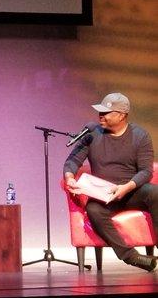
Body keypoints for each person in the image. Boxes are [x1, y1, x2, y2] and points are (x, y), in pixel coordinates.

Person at [64, 93, 158, 271]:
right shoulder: (91, 134)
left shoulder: (140, 135)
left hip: (131, 190)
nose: (101, 116)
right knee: (93, 209)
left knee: (155, 193)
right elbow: (72, 161)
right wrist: (69, 177)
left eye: (106, 112)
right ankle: (131, 257)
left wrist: (127, 186)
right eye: (100, 112)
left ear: (122, 115)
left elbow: (146, 171)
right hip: (103, 194)